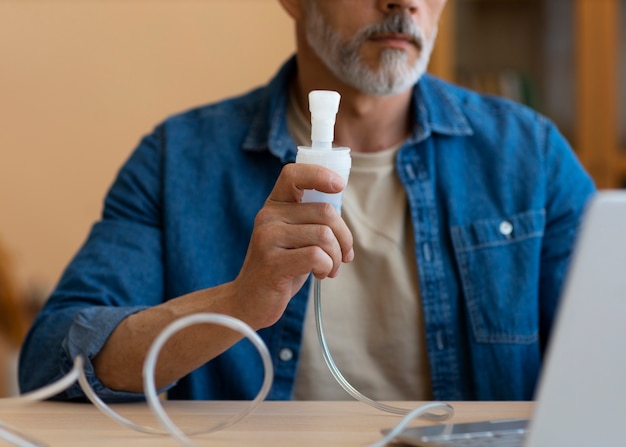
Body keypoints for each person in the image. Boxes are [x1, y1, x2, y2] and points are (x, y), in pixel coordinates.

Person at [19, 0, 595, 403]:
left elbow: (606, 359)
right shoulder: (178, 160)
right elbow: (53, 360)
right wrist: (239, 304)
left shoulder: (532, 156)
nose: (403, 2)